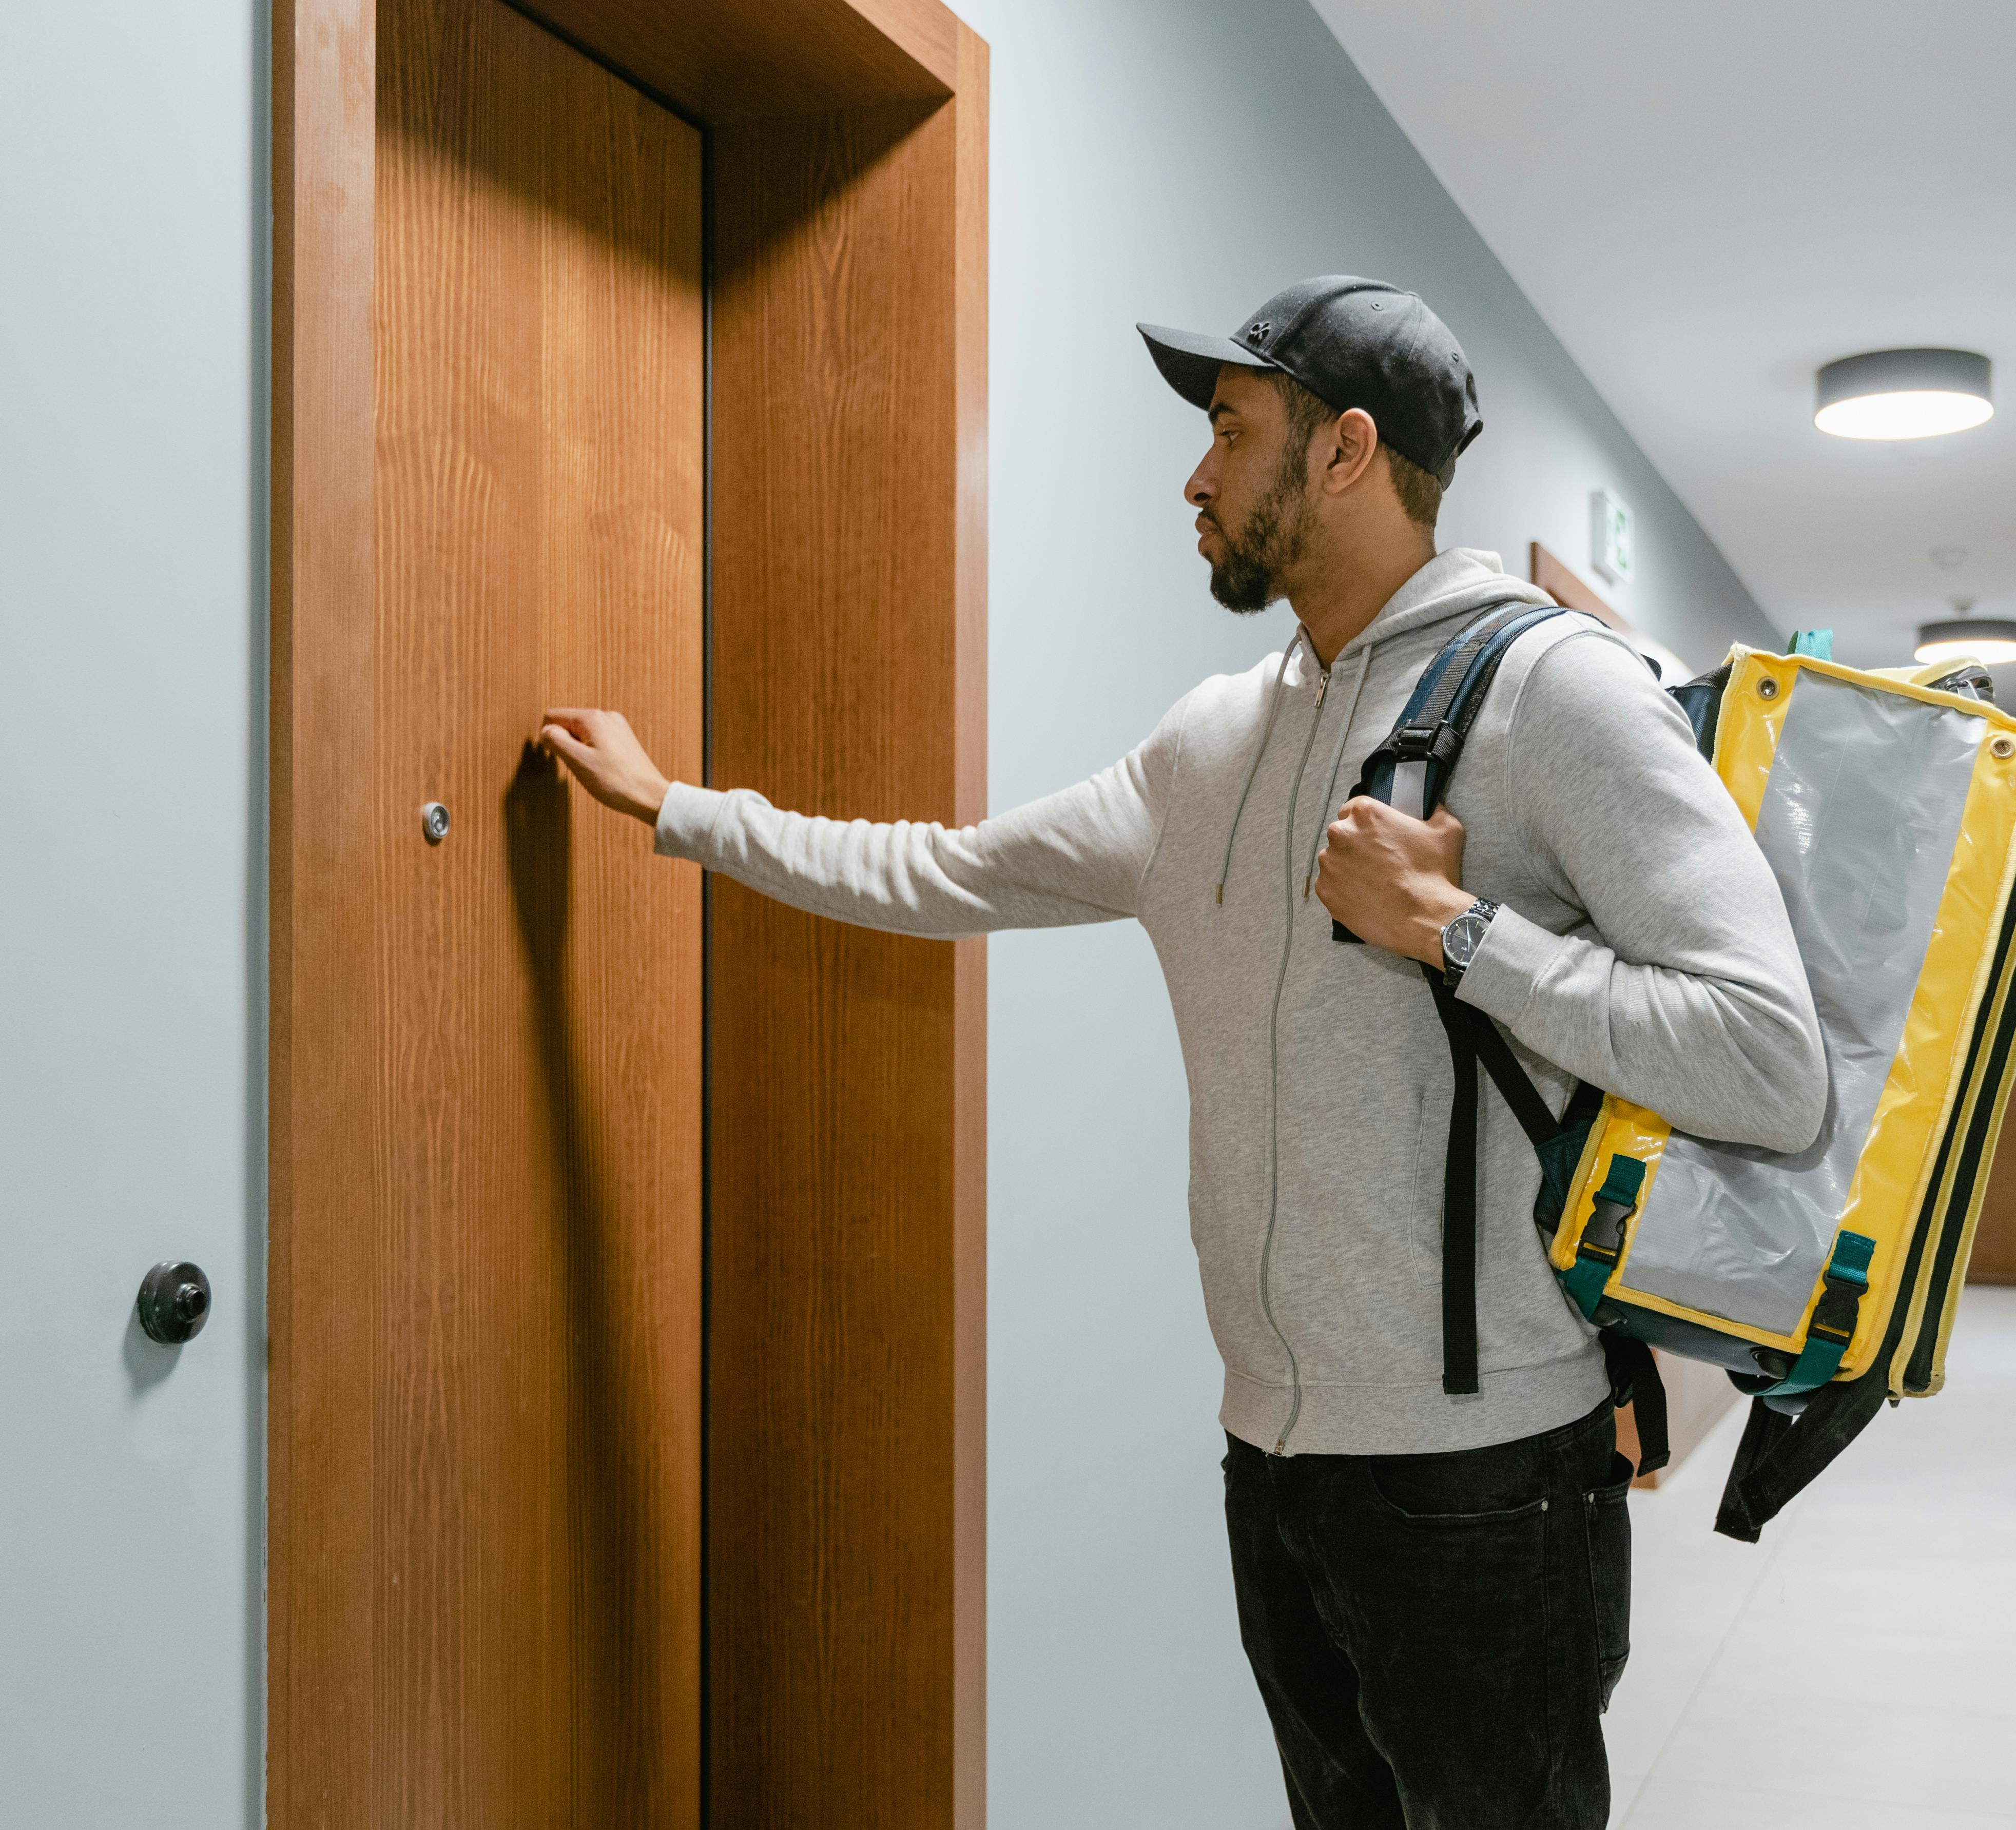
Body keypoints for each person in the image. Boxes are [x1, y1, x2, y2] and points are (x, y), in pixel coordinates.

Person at [541, 275, 1826, 1828]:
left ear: (1346, 452)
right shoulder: (1213, 741)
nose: (1196, 477)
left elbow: (1769, 1060)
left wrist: (1460, 933)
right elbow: (944, 870)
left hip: (1491, 1480)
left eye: (1231, 429)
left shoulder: (1560, 694)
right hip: (1272, 1459)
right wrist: (677, 809)